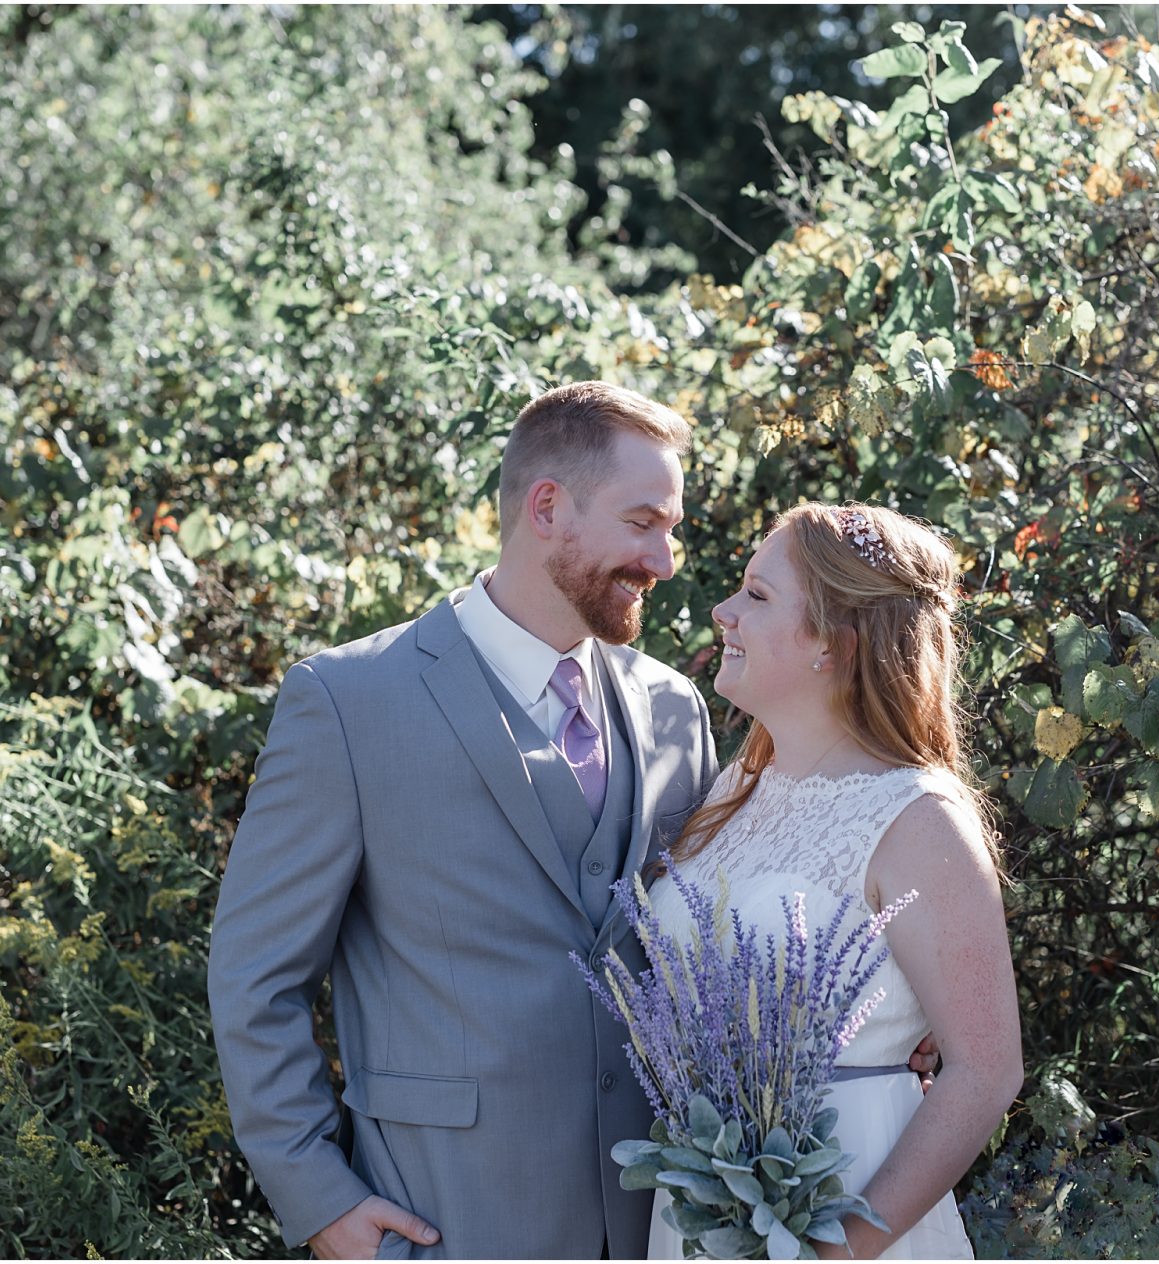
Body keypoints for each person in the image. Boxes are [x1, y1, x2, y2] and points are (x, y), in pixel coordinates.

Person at [208, 381, 721, 1259]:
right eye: (644, 523)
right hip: (447, 1217)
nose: (665, 561)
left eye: (670, 528)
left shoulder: (673, 708)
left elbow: (719, 935)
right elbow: (257, 975)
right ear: (549, 507)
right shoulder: (348, 702)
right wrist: (319, 1196)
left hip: (663, 1218)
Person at [645, 502, 1024, 1260]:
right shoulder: (734, 790)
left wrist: (840, 1246)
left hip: (844, 1200)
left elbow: (985, 1072)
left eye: (756, 595)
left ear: (833, 644)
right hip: (702, 1201)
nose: (723, 612)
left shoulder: (918, 817)